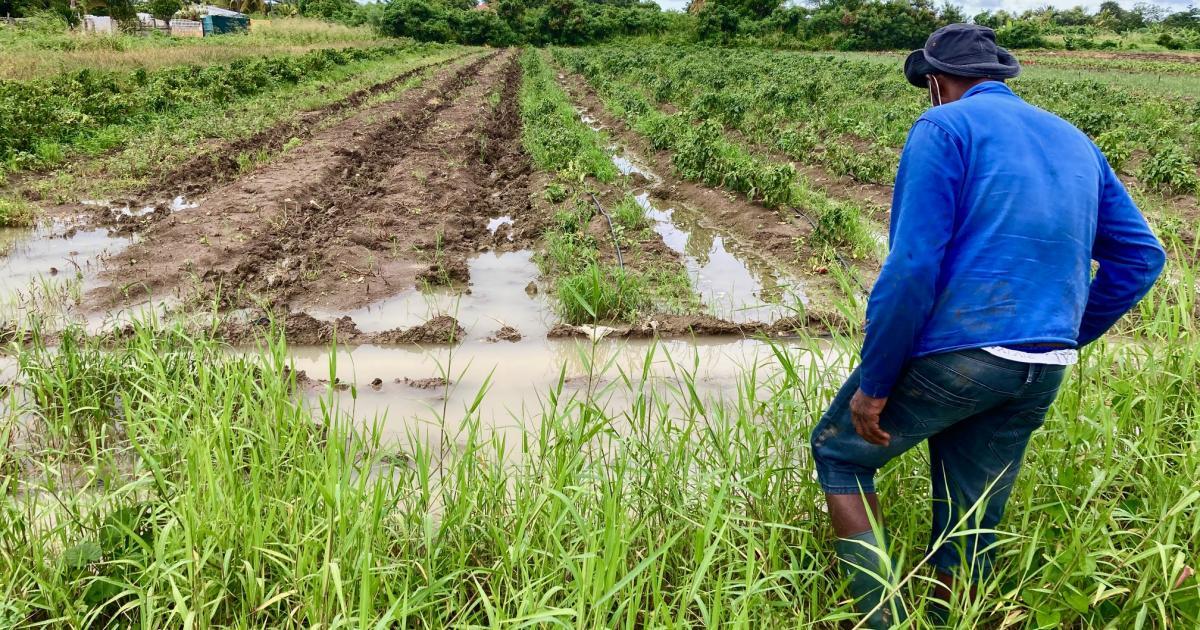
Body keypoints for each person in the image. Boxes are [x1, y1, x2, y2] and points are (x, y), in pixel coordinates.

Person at [809, 23, 1166, 627]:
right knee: (970, 517)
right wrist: (1065, 332)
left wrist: (876, 382)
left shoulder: (943, 127)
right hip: (1042, 362)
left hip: (960, 353)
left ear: (936, 82)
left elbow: (912, 266)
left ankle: (881, 619)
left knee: (840, 454)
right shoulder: (1075, 140)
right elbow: (1142, 257)